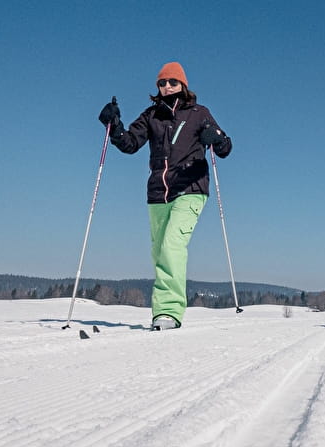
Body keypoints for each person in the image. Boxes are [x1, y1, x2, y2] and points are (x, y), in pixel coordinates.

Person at [98, 62, 232, 330]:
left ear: (183, 85)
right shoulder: (152, 116)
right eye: (162, 82)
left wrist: (214, 137)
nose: (167, 86)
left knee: (172, 245)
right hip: (158, 194)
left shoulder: (198, 113)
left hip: (191, 189)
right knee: (160, 253)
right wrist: (114, 125)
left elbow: (225, 146)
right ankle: (163, 312)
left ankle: (168, 312)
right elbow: (130, 143)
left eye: (172, 82)